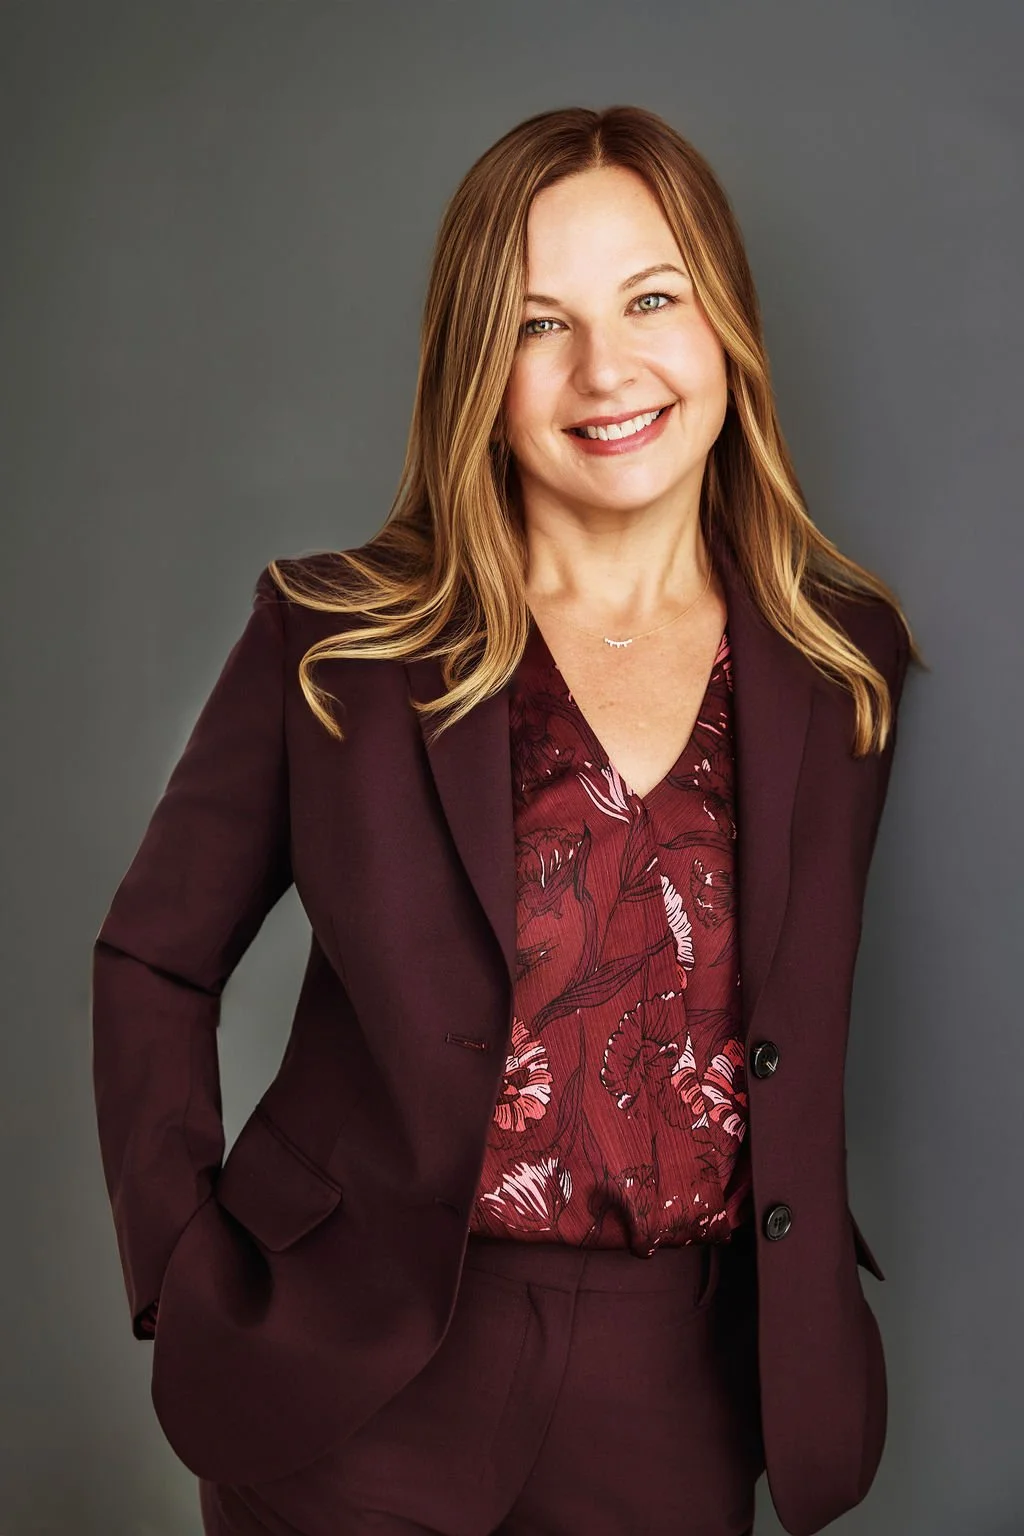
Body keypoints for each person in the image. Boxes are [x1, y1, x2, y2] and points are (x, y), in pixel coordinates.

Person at [91, 104, 919, 1536]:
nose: (610, 370)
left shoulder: (839, 660)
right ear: (480, 363)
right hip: (358, 1372)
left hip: (678, 1384)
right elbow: (154, 960)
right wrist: (182, 1261)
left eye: (652, 300)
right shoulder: (340, 640)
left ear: (725, 320)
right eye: (542, 324)